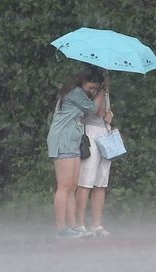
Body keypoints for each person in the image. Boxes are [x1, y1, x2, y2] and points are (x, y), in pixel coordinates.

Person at [46, 68, 105, 239]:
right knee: (64, 186)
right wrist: (102, 92)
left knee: (73, 186)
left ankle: (73, 227)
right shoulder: (76, 92)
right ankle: (61, 228)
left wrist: (99, 91)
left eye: (95, 88)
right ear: (82, 82)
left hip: (73, 142)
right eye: (91, 87)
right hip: (62, 140)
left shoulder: (78, 93)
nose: (92, 91)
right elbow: (92, 109)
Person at [75, 68, 114, 237]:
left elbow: (103, 113)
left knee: (101, 183)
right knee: (86, 182)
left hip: (104, 134)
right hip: (89, 132)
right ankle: (79, 224)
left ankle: (96, 224)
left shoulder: (103, 92)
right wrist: (98, 94)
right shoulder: (79, 94)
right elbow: (90, 111)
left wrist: (108, 111)